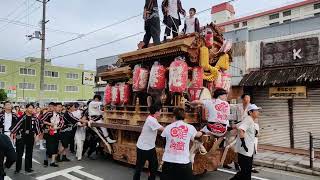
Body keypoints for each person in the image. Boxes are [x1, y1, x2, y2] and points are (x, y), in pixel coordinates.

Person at [160, 107, 202, 180]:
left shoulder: (168, 127)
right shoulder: (190, 127)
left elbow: (163, 140)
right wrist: (204, 131)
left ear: (174, 116)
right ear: (184, 116)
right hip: (183, 162)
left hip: (168, 161)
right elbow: (197, 135)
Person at [133, 103, 164, 180]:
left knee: (153, 165)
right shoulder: (151, 120)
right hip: (143, 147)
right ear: (156, 112)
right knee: (139, 167)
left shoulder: (152, 119)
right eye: (160, 111)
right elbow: (163, 129)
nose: (161, 112)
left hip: (150, 147)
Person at [230, 104, 261, 180]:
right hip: (245, 151)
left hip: (247, 151)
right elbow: (241, 130)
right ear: (250, 112)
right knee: (245, 172)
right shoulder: (248, 120)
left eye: (258, 110)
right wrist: (243, 144)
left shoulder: (249, 120)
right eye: (256, 111)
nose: (258, 112)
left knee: (245, 171)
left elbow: (237, 126)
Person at [10, 103, 41, 173]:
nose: (31, 109)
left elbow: (37, 127)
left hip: (30, 136)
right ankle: (17, 169)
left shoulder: (35, 118)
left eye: (32, 108)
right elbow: (16, 126)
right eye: (30, 108)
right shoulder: (22, 117)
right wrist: (13, 134)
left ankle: (28, 167)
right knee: (19, 153)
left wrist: (37, 135)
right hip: (21, 136)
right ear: (26, 109)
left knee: (29, 152)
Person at [41, 102, 64, 167]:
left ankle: (53, 162)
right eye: (59, 107)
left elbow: (62, 124)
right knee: (49, 147)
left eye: (61, 107)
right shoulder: (49, 113)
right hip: (48, 133)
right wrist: (49, 124)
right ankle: (46, 160)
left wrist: (57, 128)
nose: (60, 108)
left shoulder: (61, 115)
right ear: (55, 107)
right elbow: (41, 120)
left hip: (56, 132)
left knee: (55, 147)